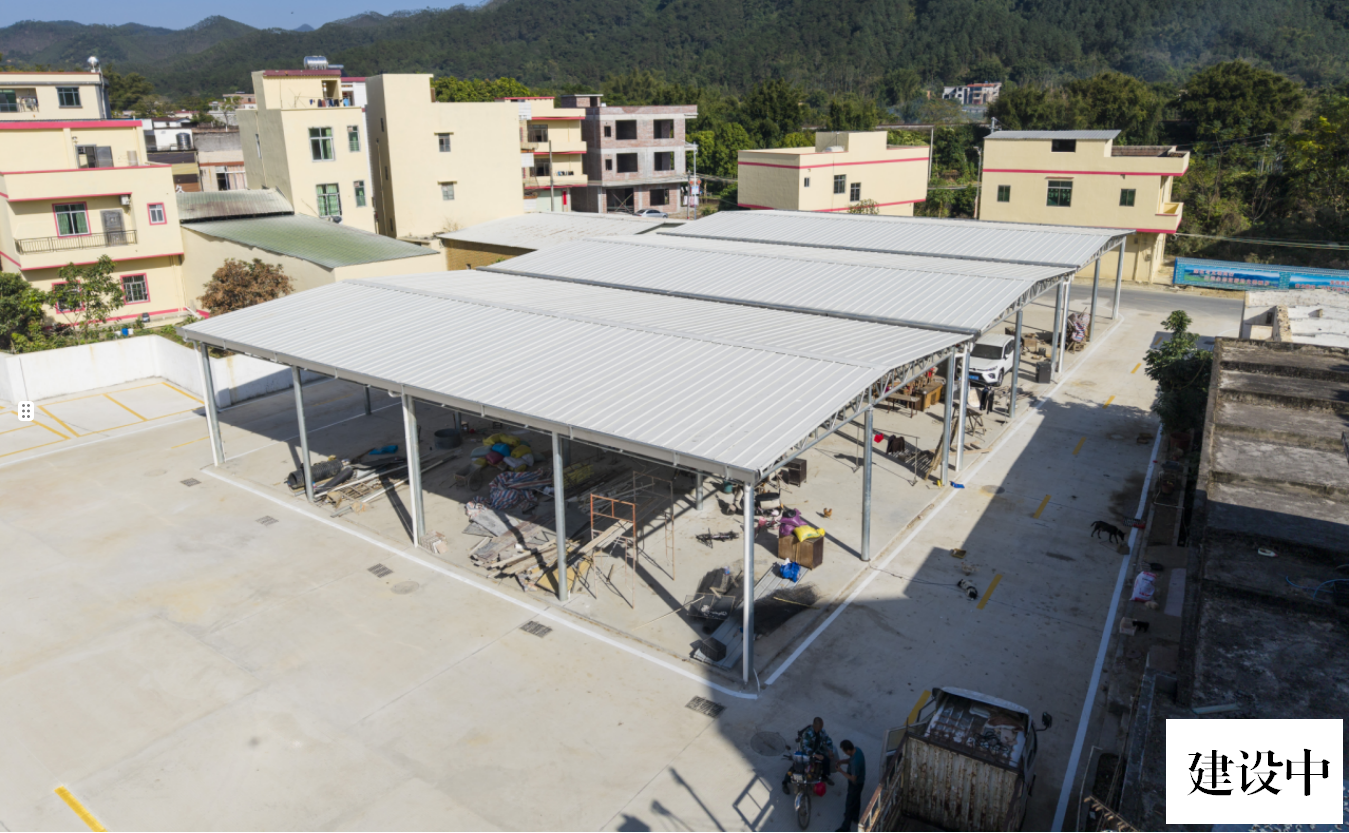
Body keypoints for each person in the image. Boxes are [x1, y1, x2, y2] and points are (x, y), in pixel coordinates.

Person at [783, 717, 836, 794]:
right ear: (816, 726)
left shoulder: (822, 731)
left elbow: (827, 739)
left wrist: (830, 750)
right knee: (796, 767)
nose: (822, 727)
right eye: (820, 726)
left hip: (817, 750)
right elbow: (805, 747)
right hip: (805, 753)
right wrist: (815, 755)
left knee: (826, 760)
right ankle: (785, 782)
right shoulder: (807, 733)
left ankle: (824, 776)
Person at [836, 739, 867, 832]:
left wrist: (841, 771)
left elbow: (853, 779)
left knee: (849, 804)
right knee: (856, 799)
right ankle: (855, 817)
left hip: (855, 784)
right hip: (860, 783)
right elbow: (850, 760)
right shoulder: (857, 750)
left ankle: (846, 827)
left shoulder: (855, 763)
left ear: (848, 750)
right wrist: (841, 761)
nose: (845, 753)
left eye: (844, 751)